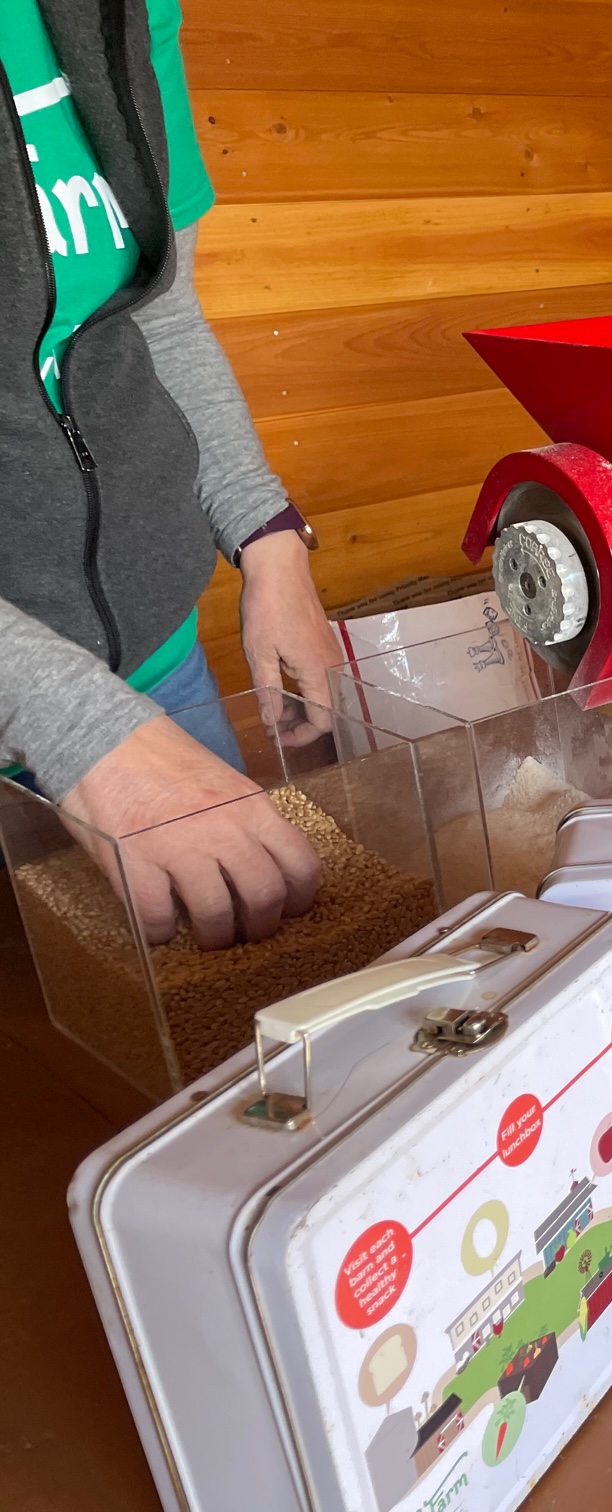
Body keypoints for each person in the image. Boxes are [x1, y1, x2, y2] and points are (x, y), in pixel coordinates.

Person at [2, 0, 343, 948]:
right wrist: (74, 727)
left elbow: (160, 315)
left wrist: (270, 542)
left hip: (163, 662)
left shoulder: (127, 16)